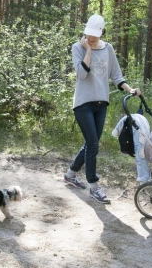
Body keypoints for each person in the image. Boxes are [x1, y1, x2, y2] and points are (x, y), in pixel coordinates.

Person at [63, 14, 140, 204]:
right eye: (88, 35)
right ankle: (94, 187)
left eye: (95, 35)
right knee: (94, 144)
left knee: (92, 143)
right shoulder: (77, 48)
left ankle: (70, 174)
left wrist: (130, 90)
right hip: (83, 104)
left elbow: (116, 75)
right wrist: (88, 50)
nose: (91, 38)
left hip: (101, 103)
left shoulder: (108, 49)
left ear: (102, 32)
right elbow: (81, 74)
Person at [111, 114, 151, 184]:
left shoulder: (125, 119)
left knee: (140, 158)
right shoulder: (141, 118)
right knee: (144, 155)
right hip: (146, 136)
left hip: (139, 139)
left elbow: (114, 133)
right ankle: (148, 176)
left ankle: (143, 179)